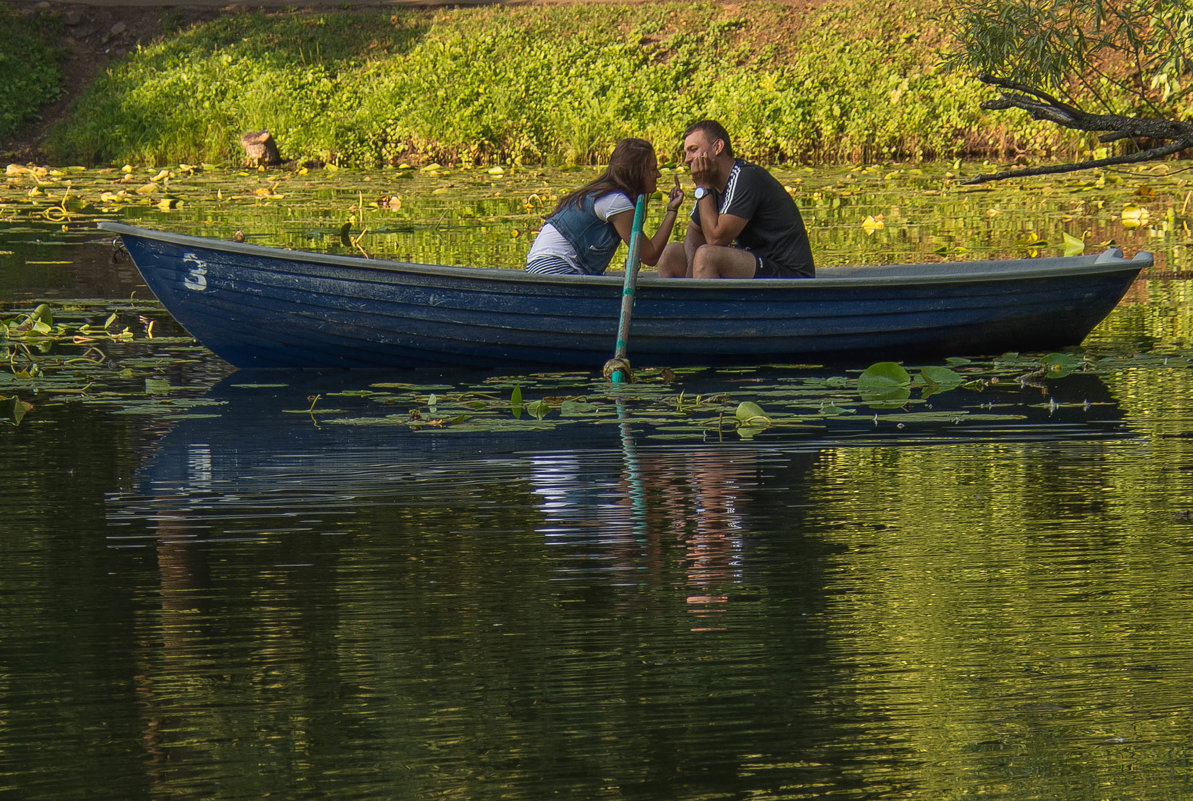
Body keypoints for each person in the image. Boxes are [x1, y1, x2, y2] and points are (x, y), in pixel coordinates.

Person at [657, 120, 814, 279]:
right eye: (686, 153)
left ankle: (706, 304)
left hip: (787, 272)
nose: (687, 159)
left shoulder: (745, 177)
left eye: (693, 150)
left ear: (718, 147)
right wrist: (691, 266)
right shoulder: (710, 180)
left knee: (707, 256)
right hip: (752, 261)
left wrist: (702, 186)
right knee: (671, 254)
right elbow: (695, 231)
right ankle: (684, 303)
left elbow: (716, 239)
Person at [526, 138, 684, 276]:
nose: (658, 174)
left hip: (538, 264)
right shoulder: (615, 201)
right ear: (636, 173)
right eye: (652, 169)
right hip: (553, 267)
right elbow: (650, 255)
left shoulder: (605, 193)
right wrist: (672, 211)